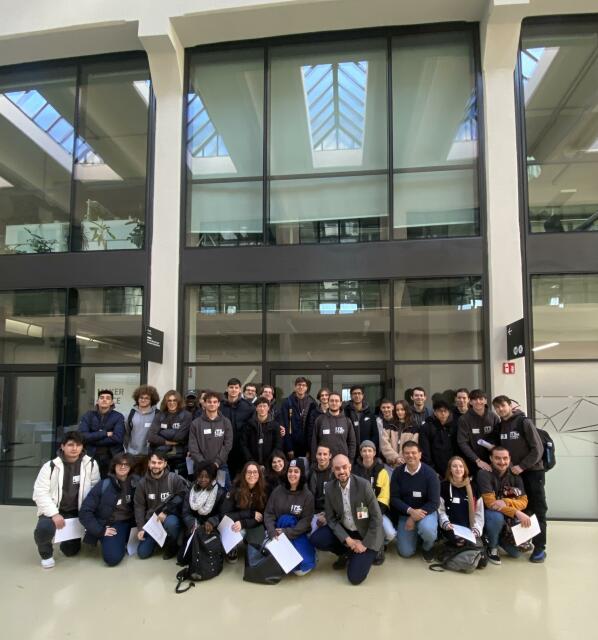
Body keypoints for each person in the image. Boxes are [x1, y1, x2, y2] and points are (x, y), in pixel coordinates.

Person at [311, 454, 383, 585]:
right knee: (317, 538)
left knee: (355, 578)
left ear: (350, 467)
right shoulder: (329, 488)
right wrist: (348, 540)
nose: (341, 471)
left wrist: (364, 544)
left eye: (344, 467)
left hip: (366, 534)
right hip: (347, 530)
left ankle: (376, 551)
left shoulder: (364, 485)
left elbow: (377, 518)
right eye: (337, 468)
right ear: (333, 469)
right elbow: (331, 519)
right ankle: (347, 552)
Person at [32, 431, 100, 569]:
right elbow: (40, 493)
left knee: (70, 551)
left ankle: (68, 539)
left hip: (76, 512)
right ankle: (46, 553)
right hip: (55, 509)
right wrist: (54, 514)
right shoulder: (50, 466)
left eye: (78, 445)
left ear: (82, 447)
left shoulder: (91, 464)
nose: (74, 448)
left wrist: (88, 515)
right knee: (44, 529)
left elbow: (95, 491)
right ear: (62, 446)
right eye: (70, 445)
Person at [492, 395, 547, 563]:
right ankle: (525, 541)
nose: (501, 409)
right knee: (522, 509)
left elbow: (537, 450)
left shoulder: (524, 422)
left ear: (510, 406)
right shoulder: (501, 426)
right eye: (497, 407)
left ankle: (540, 548)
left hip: (532, 473)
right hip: (514, 475)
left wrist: (522, 466)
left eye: (503, 406)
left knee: (538, 509)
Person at [79, 452, 138, 566]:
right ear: (113, 466)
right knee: (112, 559)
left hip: (132, 524)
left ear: (131, 467)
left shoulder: (136, 483)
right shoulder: (103, 485)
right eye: (119, 464)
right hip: (112, 524)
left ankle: (122, 541)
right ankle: (111, 541)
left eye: (126, 464)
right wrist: (100, 531)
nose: (123, 467)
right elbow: (84, 512)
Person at [477, 446, 531, 565]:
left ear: (509, 459)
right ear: (491, 458)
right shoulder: (484, 474)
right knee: (496, 516)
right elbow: (491, 504)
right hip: (489, 517)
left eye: (505, 458)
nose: (502, 462)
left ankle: (499, 538)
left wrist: (506, 501)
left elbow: (524, 501)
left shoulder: (515, 475)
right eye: (498, 458)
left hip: (508, 520)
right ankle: (492, 547)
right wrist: (516, 512)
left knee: (516, 554)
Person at [390, 441, 440, 561]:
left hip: (426, 513)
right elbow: (394, 498)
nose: (410, 456)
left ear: (420, 454)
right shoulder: (397, 472)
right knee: (405, 552)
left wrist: (413, 517)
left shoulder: (430, 474)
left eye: (414, 453)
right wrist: (410, 512)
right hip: (405, 514)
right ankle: (415, 538)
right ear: (402, 455)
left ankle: (428, 546)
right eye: (407, 453)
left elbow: (434, 502)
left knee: (427, 529)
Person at [264, 459, 316, 575]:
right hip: (277, 533)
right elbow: (268, 514)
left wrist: (287, 532)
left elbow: (306, 521)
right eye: (290, 471)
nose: (292, 474)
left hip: (297, 533)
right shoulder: (278, 491)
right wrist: (272, 532)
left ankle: (309, 552)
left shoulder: (307, 495)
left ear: (301, 474)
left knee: (301, 571)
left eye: (296, 471)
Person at [134, 451, 188, 559]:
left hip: (170, 517)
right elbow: (139, 506)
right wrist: (141, 528)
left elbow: (182, 496)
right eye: (153, 462)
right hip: (153, 522)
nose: (156, 466)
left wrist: (166, 511)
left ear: (165, 463)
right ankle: (159, 541)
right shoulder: (142, 483)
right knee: (142, 553)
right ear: (149, 463)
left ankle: (172, 545)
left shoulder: (173, 478)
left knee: (172, 524)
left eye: (159, 463)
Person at [352, 440, 395, 560]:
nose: (367, 453)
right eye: (364, 450)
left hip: (378, 510)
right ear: (360, 453)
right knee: (362, 528)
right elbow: (353, 494)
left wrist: (375, 514)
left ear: (374, 453)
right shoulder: (354, 471)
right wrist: (363, 512)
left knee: (390, 534)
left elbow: (384, 496)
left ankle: (380, 544)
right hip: (360, 509)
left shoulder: (382, 471)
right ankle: (369, 546)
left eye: (369, 450)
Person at [223, 461, 269, 558]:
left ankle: (248, 540)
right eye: (249, 472)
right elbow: (226, 515)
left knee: (255, 555)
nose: (252, 475)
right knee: (230, 526)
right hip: (237, 524)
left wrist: (244, 522)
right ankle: (233, 547)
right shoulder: (235, 489)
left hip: (254, 524)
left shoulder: (264, 489)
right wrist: (250, 514)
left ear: (259, 474)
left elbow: (262, 517)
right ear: (244, 474)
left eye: (255, 472)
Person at [78, 389, 125, 478]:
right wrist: (104, 433)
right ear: (97, 401)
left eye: (107, 398)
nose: (104, 400)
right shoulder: (88, 415)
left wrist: (92, 438)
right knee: (89, 482)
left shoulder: (118, 416)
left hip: (111, 457)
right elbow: (82, 437)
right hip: (91, 455)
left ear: (112, 402)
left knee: (109, 484)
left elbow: (118, 438)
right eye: (101, 397)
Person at [438, 456, 484, 546]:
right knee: (458, 543)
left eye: (461, 466)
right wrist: (446, 524)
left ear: (465, 469)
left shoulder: (474, 487)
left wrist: (476, 530)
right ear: (450, 469)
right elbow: (441, 510)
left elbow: (479, 512)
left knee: (472, 546)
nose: (458, 469)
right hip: (451, 527)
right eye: (454, 466)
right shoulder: (443, 486)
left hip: (469, 528)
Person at [188, 391, 233, 482]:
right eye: (209, 402)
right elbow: (193, 447)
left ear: (219, 404)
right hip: (200, 466)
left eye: (215, 402)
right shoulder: (196, 423)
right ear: (204, 403)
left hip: (220, 466)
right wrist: (203, 464)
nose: (212, 404)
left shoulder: (226, 422)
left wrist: (216, 463)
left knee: (223, 493)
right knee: (199, 494)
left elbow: (227, 445)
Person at [147, 390, 191, 476]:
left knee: (178, 484)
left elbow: (180, 437)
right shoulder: (159, 415)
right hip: (160, 457)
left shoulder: (186, 415)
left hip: (179, 457)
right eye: (169, 400)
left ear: (179, 402)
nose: (172, 403)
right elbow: (151, 437)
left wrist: (161, 433)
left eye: (174, 400)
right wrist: (169, 442)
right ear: (165, 402)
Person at [457, 389, 500, 477]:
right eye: (474, 399)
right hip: (473, 462)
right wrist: (477, 460)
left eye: (481, 399)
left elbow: (499, 437)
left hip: (494, 461)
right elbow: (462, 442)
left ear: (485, 401)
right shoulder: (464, 419)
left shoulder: (493, 417)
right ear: (470, 402)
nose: (478, 402)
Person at [181, 461, 227, 538]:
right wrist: (193, 524)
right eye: (200, 476)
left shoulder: (220, 493)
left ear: (212, 478)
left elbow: (222, 514)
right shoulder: (191, 490)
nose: (203, 479)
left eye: (207, 477)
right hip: (193, 526)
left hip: (212, 528)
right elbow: (185, 512)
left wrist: (211, 522)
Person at [220, 378, 255, 477]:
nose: (234, 390)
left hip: (242, 450)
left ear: (240, 390)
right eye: (231, 387)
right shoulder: (220, 406)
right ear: (227, 389)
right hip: (224, 449)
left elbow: (253, 428)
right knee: (224, 478)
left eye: (236, 387)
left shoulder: (248, 407)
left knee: (241, 478)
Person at [311, 392, 356, 461]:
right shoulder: (320, 420)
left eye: (337, 401)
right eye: (331, 401)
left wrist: (350, 460)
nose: (334, 403)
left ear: (340, 403)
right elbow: (314, 443)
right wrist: (314, 461)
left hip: (342, 463)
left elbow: (352, 442)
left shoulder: (347, 421)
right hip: (325, 462)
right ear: (328, 402)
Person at [420, 399, 458, 477]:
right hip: (433, 469)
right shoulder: (427, 427)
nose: (443, 413)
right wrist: (431, 469)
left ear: (449, 412)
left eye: (445, 411)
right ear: (435, 412)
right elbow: (425, 451)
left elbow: (457, 448)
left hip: (452, 468)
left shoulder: (455, 426)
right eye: (440, 411)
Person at [241, 396, 283, 466]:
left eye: (264, 406)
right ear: (256, 408)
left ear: (268, 408)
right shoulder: (248, 425)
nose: (262, 409)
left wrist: (270, 460)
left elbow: (278, 445)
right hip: (252, 463)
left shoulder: (275, 425)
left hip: (270, 463)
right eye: (260, 406)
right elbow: (244, 444)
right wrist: (250, 460)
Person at [281, 377, 316, 461]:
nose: (301, 387)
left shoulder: (312, 403)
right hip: (292, 445)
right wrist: (289, 448)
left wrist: (309, 449)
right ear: (295, 387)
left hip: (306, 445)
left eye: (304, 385)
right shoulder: (287, 402)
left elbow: (313, 428)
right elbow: (285, 425)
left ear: (307, 388)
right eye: (299, 385)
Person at [125, 385, 159, 457]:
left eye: (147, 398)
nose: (143, 400)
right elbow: (126, 434)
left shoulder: (158, 414)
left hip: (151, 454)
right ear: (137, 398)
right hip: (132, 454)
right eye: (141, 397)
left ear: (152, 400)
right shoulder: (130, 415)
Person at [344, 385, 378, 451]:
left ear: (363, 395)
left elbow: (375, 434)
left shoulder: (370, 414)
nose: (357, 395)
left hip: (366, 451)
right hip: (350, 450)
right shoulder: (345, 413)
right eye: (354, 393)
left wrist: (371, 448)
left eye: (359, 393)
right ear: (351, 396)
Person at [308, 444, 334, 531]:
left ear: (330, 456)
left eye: (325, 454)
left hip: (330, 514)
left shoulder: (334, 473)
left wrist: (326, 514)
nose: (322, 457)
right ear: (316, 455)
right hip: (314, 512)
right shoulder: (311, 472)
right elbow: (309, 495)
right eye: (319, 454)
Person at [306, 387, 330, 458]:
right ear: (319, 398)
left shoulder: (334, 411)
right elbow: (310, 431)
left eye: (326, 395)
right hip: (317, 445)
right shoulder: (314, 412)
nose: (324, 397)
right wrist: (309, 448)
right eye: (322, 395)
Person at [376, 398, 400, 466]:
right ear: (380, 408)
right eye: (383, 407)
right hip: (381, 455)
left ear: (393, 407)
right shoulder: (377, 421)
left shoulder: (398, 422)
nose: (386, 409)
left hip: (396, 455)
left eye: (388, 407)